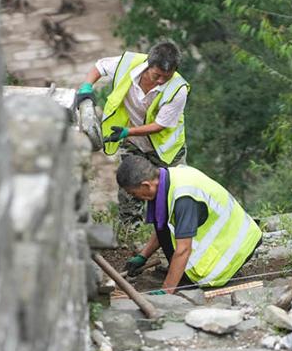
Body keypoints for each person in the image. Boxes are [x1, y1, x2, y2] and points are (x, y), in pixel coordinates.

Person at [74, 42, 189, 223]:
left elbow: (160, 125)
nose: (160, 81)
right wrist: (86, 86)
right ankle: (130, 233)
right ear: (148, 65)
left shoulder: (178, 89)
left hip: (166, 150)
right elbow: (100, 66)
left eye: (166, 77)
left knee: (174, 192)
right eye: (157, 75)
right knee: (131, 188)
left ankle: (174, 233)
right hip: (134, 143)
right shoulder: (128, 64)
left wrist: (127, 132)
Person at [115, 155, 262, 292]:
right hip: (229, 240)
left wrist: (166, 290)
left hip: (233, 251)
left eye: (134, 193)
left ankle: (187, 278)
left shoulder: (183, 198)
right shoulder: (168, 177)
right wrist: (143, 256)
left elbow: (183, 250)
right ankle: (180, 275)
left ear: (146, 185)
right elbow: (164, 225)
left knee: (182, 263)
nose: (135, 197)